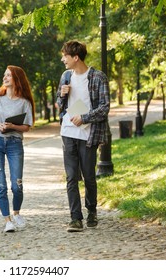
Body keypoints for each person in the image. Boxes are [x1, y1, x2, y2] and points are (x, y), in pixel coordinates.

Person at [56, 40, 111, 232]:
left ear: (76, 57)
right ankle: (75, 218)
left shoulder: (97, 77)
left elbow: (104, 107)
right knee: (71, 177)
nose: (63, 59)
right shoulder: (65, 76)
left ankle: (92, 210)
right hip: (68, 132)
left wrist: (85, 117)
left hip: (88, 134)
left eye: (65, 56)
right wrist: (61, 96)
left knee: (88, 176)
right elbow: (59, 105)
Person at [0, 65, 35, 232]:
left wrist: (13, 125)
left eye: (8, 76)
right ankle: (7, 220)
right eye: (4, 75)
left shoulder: (24, 102)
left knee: (17, 184)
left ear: (16, 79)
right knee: (1, 185)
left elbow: (27, 127)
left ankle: (17, 213)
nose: (4, 78)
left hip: (15, 143)